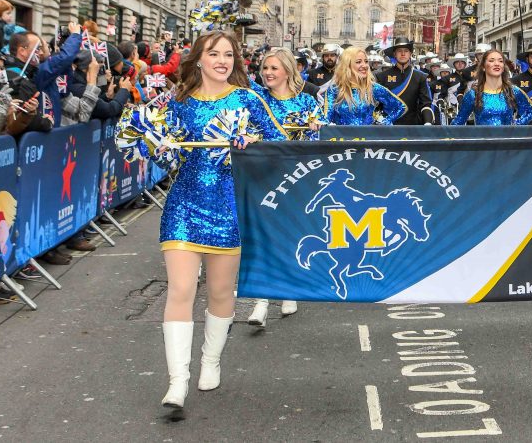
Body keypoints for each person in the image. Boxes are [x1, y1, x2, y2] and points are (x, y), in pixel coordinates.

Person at [151, 31, 287, 410]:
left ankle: (210, 361)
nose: (223, 60)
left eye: (229, 54)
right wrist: (160, 147)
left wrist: (251, 145)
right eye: (215, 54)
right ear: (198, 59)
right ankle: (177, 381)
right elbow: (166, 159)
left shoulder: (248, 99)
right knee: (180, 289)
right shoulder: (177, 103)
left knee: (220, 294)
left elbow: (278, 147)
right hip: (184, 205)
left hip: (229, 205)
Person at [244, 47, 320, 328]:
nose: (267, 73)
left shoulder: (308, 102)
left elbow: (321, 139)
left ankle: (288, 288)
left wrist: (316, 129)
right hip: (262, 174)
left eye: (274, 68)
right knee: (262, 235)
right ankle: (261, 301)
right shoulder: (256, 98)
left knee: (289, 234)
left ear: (288, 70)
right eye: (265, 68)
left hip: (296, 177)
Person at [314, 47, 406, 126]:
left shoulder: (373, 88)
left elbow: (399, 107)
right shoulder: (334, 89)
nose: (365, 65)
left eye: (366, 61)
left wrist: (382, 123)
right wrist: (316, 121)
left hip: (367, 143)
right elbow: (326, 118)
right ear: (347, 66)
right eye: (358, 62)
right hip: (342, 143)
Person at [451, 49, 532, 126]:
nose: (497, 64)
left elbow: (530, 111)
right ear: (483, 67)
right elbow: (458, 121)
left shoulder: (512, 91)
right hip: (483, 141)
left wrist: (515, 126)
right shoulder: (473, 94)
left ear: (503, 67)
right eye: (491, 61)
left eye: (500, 61)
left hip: (506, 141)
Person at [376, 37, 434, 125]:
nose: (403, 54)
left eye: (406, 51)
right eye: (399, 51)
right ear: (394, 54)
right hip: (388, 127)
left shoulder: (420, 77)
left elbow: (425, 104)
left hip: (413, 126)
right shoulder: (382, 77)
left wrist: (427, 123)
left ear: (410, 53)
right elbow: (378, 104)